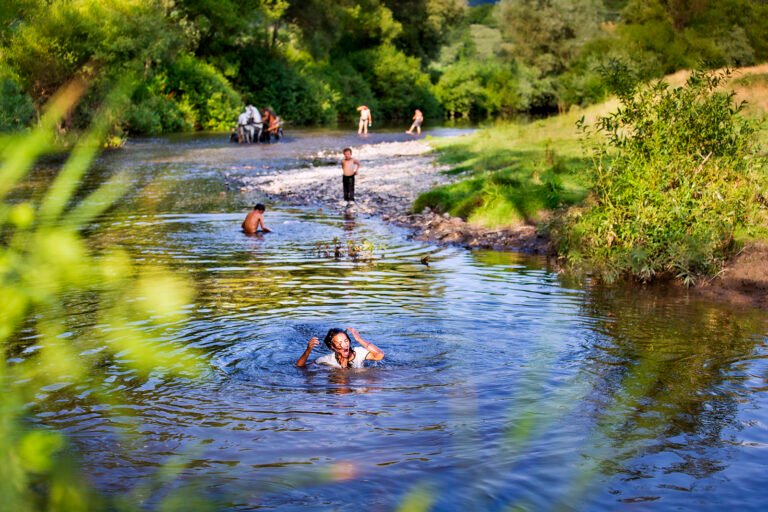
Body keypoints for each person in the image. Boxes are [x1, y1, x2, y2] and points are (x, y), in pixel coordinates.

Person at [295, 327, 384, 368]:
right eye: (339, 343)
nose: (345, 345)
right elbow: (299, 366)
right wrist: (308, 350)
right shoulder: (328, 359)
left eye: (346, 341)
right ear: (332, 347)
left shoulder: (358, 353)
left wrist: (359, 339)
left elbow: (379, 355)